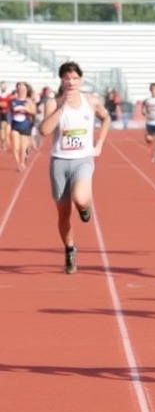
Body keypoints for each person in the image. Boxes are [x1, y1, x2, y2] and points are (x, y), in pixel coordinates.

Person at [39, 62, 111, 274]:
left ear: (81, 79)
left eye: (74, 78)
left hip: (83, 159)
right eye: (67, 78)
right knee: (63, 214)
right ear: (61, 80)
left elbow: (105, 118)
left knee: (80, 198)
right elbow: (44, 130)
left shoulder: (91, 101)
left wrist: (99, 144)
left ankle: (85, 207)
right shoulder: (53, 102)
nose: (71, 82)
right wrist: (62, 107)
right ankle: (70, 249)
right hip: (59, 162)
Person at [8, 82, 37, 172]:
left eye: (23, 89)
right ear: (17, 90)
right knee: (15, 146)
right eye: (19, 89)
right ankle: (18, 164)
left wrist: (27, 110)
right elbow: (10, 113)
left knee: (23, 147)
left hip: (25, 125)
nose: (21, 91)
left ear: (26, 90)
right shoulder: (13, 101)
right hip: (15, 125)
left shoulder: (29, 101)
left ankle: (22, 161)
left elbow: (34, 113)